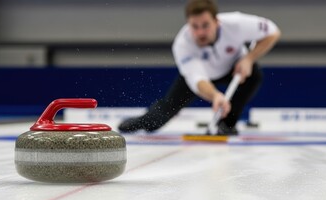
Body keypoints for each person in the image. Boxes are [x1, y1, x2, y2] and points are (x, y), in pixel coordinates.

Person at [118, 0, 281, 135]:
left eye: (205, 25)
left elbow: (273, 32)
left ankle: (227, 124)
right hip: (201, 77)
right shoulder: (183, 45)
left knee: (255, 76)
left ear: (217, 22)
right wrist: (215, 96)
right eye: (194, 27)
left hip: (234, 67)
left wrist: (249, 59)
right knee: (158, 118)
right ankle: (142, 121)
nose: (200, 32)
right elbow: (198, 79)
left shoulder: (236, 23)